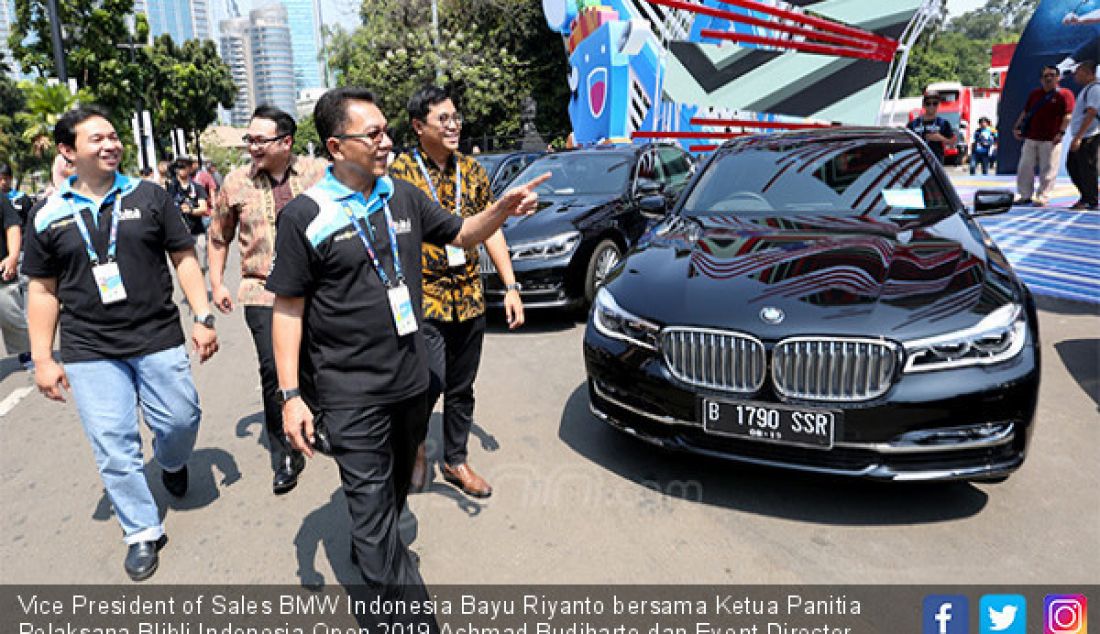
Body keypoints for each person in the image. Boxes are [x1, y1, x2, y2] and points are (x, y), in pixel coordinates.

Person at [268, 87, 547, 596]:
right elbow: (287, 309)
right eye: (372, 134)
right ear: (335, 147)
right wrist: (290, 398)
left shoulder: (403, 196)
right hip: (350, 394)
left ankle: (379, 542)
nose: (385, 141)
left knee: (395, 490)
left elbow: (463, 234)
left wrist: (502, 209)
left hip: (411, 384)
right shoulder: (304, 216)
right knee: (376, 527)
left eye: (385, 130)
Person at [23, 105, 219, 581]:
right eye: (97, 139)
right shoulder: (48, 214)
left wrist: (203, 314)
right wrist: (45, 358)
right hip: (90, 348)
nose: (111, 144)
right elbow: (43, 290)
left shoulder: (149, 196)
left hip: (156, 335)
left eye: (113, 136)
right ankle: (141, 531)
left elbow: (184, 258)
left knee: (180, 417)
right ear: (69, 151)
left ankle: (172, 461)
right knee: (113, 445)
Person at [389, 86, 525, 498]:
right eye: (443, 119)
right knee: (428, 384)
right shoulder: (401, 174)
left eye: (456, 118)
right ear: (418, 126)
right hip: (423, 299)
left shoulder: (474, 171)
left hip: (468, 297)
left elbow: (491, 231)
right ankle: (413, 449)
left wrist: (511, 286)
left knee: (462, 387)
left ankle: (455, 460)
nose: (454, 126)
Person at [209, 105, 327, 494]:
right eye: (249, 140)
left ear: (286, 141)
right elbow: (217, 236)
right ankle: (285, 453)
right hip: (262, 291)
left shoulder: (318, 173)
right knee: (274, 371)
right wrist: (217, 283)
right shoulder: (235, 182)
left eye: (260, 140)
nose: (252, 147)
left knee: (314, 359)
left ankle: (317, 423)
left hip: (317, 287)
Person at [1012, 66, 1075, 206]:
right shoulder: (1035, 94)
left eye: (1052, 75)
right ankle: (1024, 195)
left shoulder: (1065, 94)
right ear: (1041, 79)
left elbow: (1068, 115)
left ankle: (1043, 196)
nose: (1049, 78)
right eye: (1045, 76)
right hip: (1031, 137)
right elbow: (1026, 112)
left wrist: (1061, 133)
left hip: (1051, 139)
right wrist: (1017, 126)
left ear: (1058, 78)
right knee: (1024, 168)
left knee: (1048, 170)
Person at [0, 195, 30, 369]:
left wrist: (13, 256)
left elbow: (12, 226)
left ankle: (29, 352)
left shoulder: (2, 200)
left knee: (12, 316)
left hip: (2, 274)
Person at [167, 156, 210, 273]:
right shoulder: (171, 188)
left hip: (197, 230)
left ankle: (199, 287)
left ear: (190, 168)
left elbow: (203, 208)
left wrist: (190, 210)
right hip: (180, 234)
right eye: (178, 167)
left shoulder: (197, 188)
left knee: (201, 265)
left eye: (183, 166)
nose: (180, 169)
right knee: (186, 268)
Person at [1067, 60, 1100, 210]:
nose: (1075, 76)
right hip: (1084, 135)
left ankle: (1090, 199)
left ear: (1087, 73)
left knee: (1086, 168)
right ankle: (1087, 195)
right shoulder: (1087, 89)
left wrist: (1079, 137)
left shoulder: (1094, 89)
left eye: (1078, 72)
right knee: (1074, 165)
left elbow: (1091, 112)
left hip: (1089, 136)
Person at [906, 91, 956, 164]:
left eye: (935, 103)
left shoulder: (943, 123)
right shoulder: (913, 124)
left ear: (938, 104)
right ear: (923, 105)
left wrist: (941, 138)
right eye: (928, 103)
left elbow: (952, 143)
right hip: (918, 162)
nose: (931, 106)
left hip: (936, 162)